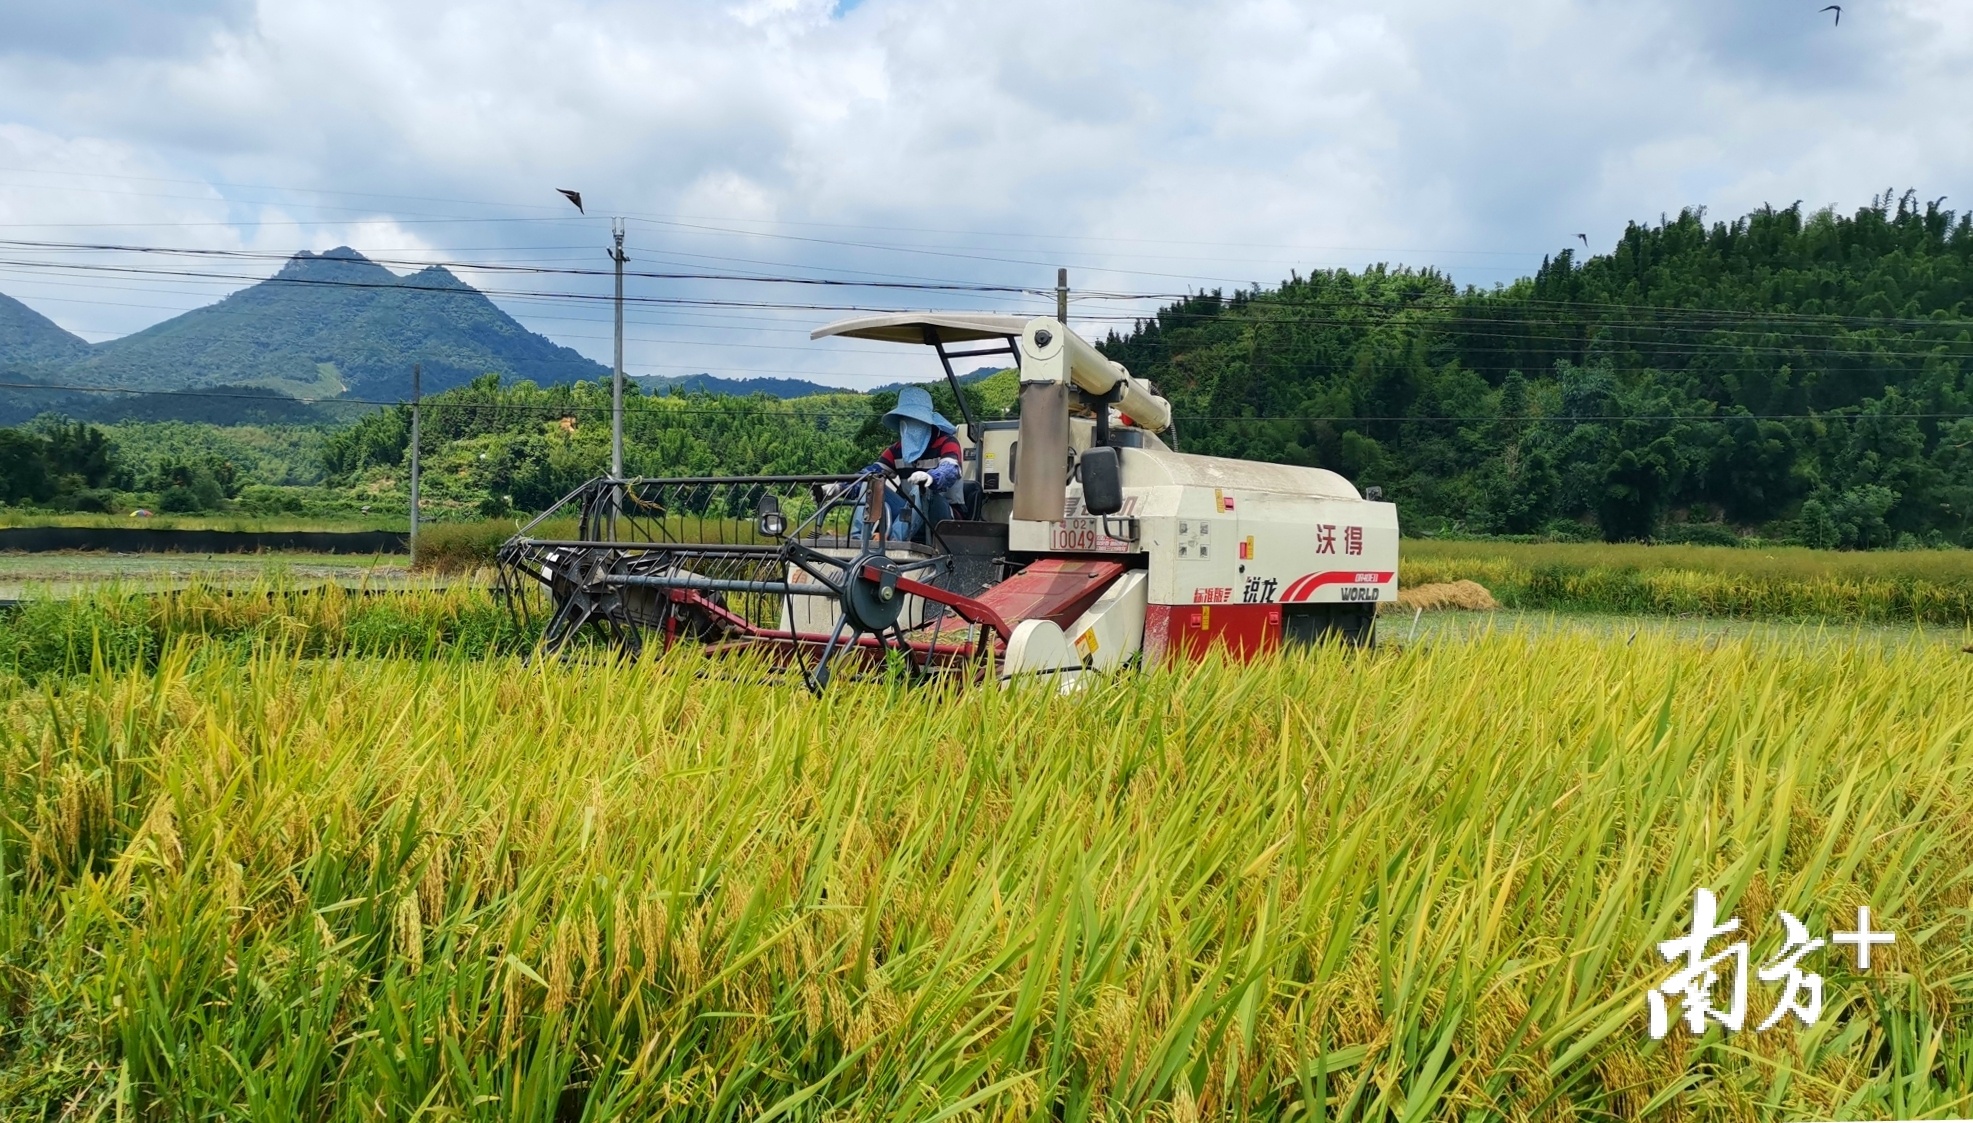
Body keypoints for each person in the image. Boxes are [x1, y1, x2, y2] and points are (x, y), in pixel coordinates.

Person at [831, 386, 964, 543]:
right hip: (909, 514)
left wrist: (932, 477)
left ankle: (894, 543)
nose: (910, 425)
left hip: (943, 516)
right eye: (906, 420)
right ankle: (858, 540)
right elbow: (872, 472)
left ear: (926, 423)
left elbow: (950, 469)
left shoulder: (947, 443)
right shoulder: (897, 450)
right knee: (871, 481)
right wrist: (839, 488)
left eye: (915, 421)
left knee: (921, 488)